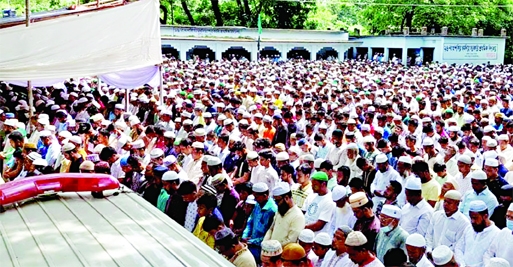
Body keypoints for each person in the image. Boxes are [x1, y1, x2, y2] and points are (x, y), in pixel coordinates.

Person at [455, 200, 501, 267]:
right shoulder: (469, 228)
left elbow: (490, 259)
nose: (472, 221)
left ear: (485, 216)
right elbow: (459, 248)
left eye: (475, 218)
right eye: (471, 218)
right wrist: (463, 265)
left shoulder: (497, 234)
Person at [243, 182, 277, 263]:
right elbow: (250, 221)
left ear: (265, 196)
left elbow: (269, 234)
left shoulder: (272, 210)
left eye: (256, 197)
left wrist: (252, 241)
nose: (255, 200)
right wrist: (245, 235)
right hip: (250, 241)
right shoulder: (258, 204)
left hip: (260, 247)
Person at [264, 182, 305, 246]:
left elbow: (290, 241)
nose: (276, 203)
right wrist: (265, 243)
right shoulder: (280, 211)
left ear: (286, 198)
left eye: (277, 201)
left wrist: (273, 249)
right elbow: (271, 229)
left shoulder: (298, 216)